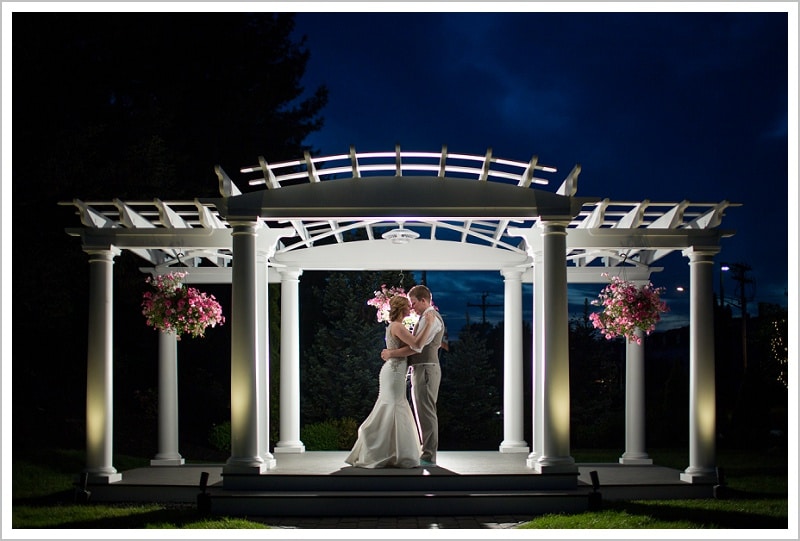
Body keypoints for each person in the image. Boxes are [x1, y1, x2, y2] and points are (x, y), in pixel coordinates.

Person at [345, 295, 434, 468]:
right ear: (402, 309)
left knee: (393, 406)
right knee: (394, 406)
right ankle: (381, 448)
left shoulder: (395, 326)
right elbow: (416, 345)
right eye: (408, 306)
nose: (411, 308)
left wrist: (392, 352)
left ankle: (391, 452)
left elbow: (409, 348)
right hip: (394, 372)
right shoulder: (398, 326)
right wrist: (429, 324)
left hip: (395, 370)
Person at [381, 284, 444, 466]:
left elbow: (417, 346)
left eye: (414, 302)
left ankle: (428, 455)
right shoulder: (425, 318)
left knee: (426, 412)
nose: (412, 306)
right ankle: (425, 452)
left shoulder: (431, 318)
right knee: (422, 412)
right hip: (421, 368)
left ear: (424, 300)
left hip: (426, 368)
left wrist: (391, 353)